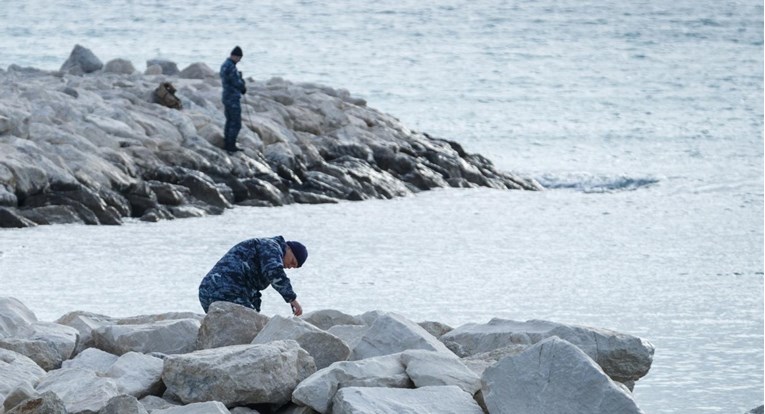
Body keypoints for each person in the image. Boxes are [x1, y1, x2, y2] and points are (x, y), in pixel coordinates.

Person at [198, 236, 307, 316]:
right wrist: (293, 300)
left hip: (210, 291)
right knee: (250, 327)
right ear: (288, 248)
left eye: (294, 267)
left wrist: (256, 312)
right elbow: (274, 273)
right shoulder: (271, 246)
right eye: (293, 261)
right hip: (225, 290)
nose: (290, 267)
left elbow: (253, 291)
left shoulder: (267, 253)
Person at [220, 46, 247, 153]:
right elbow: (236, 82)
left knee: (229, 121)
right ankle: (231, 145)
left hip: (226, 96)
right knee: (236, 123)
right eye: (239, 58)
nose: (239, 60)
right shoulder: (231, 67)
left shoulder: (224, 65)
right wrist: (243, 86)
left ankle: (227, 142)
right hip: (232, 98)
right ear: (235, 56)